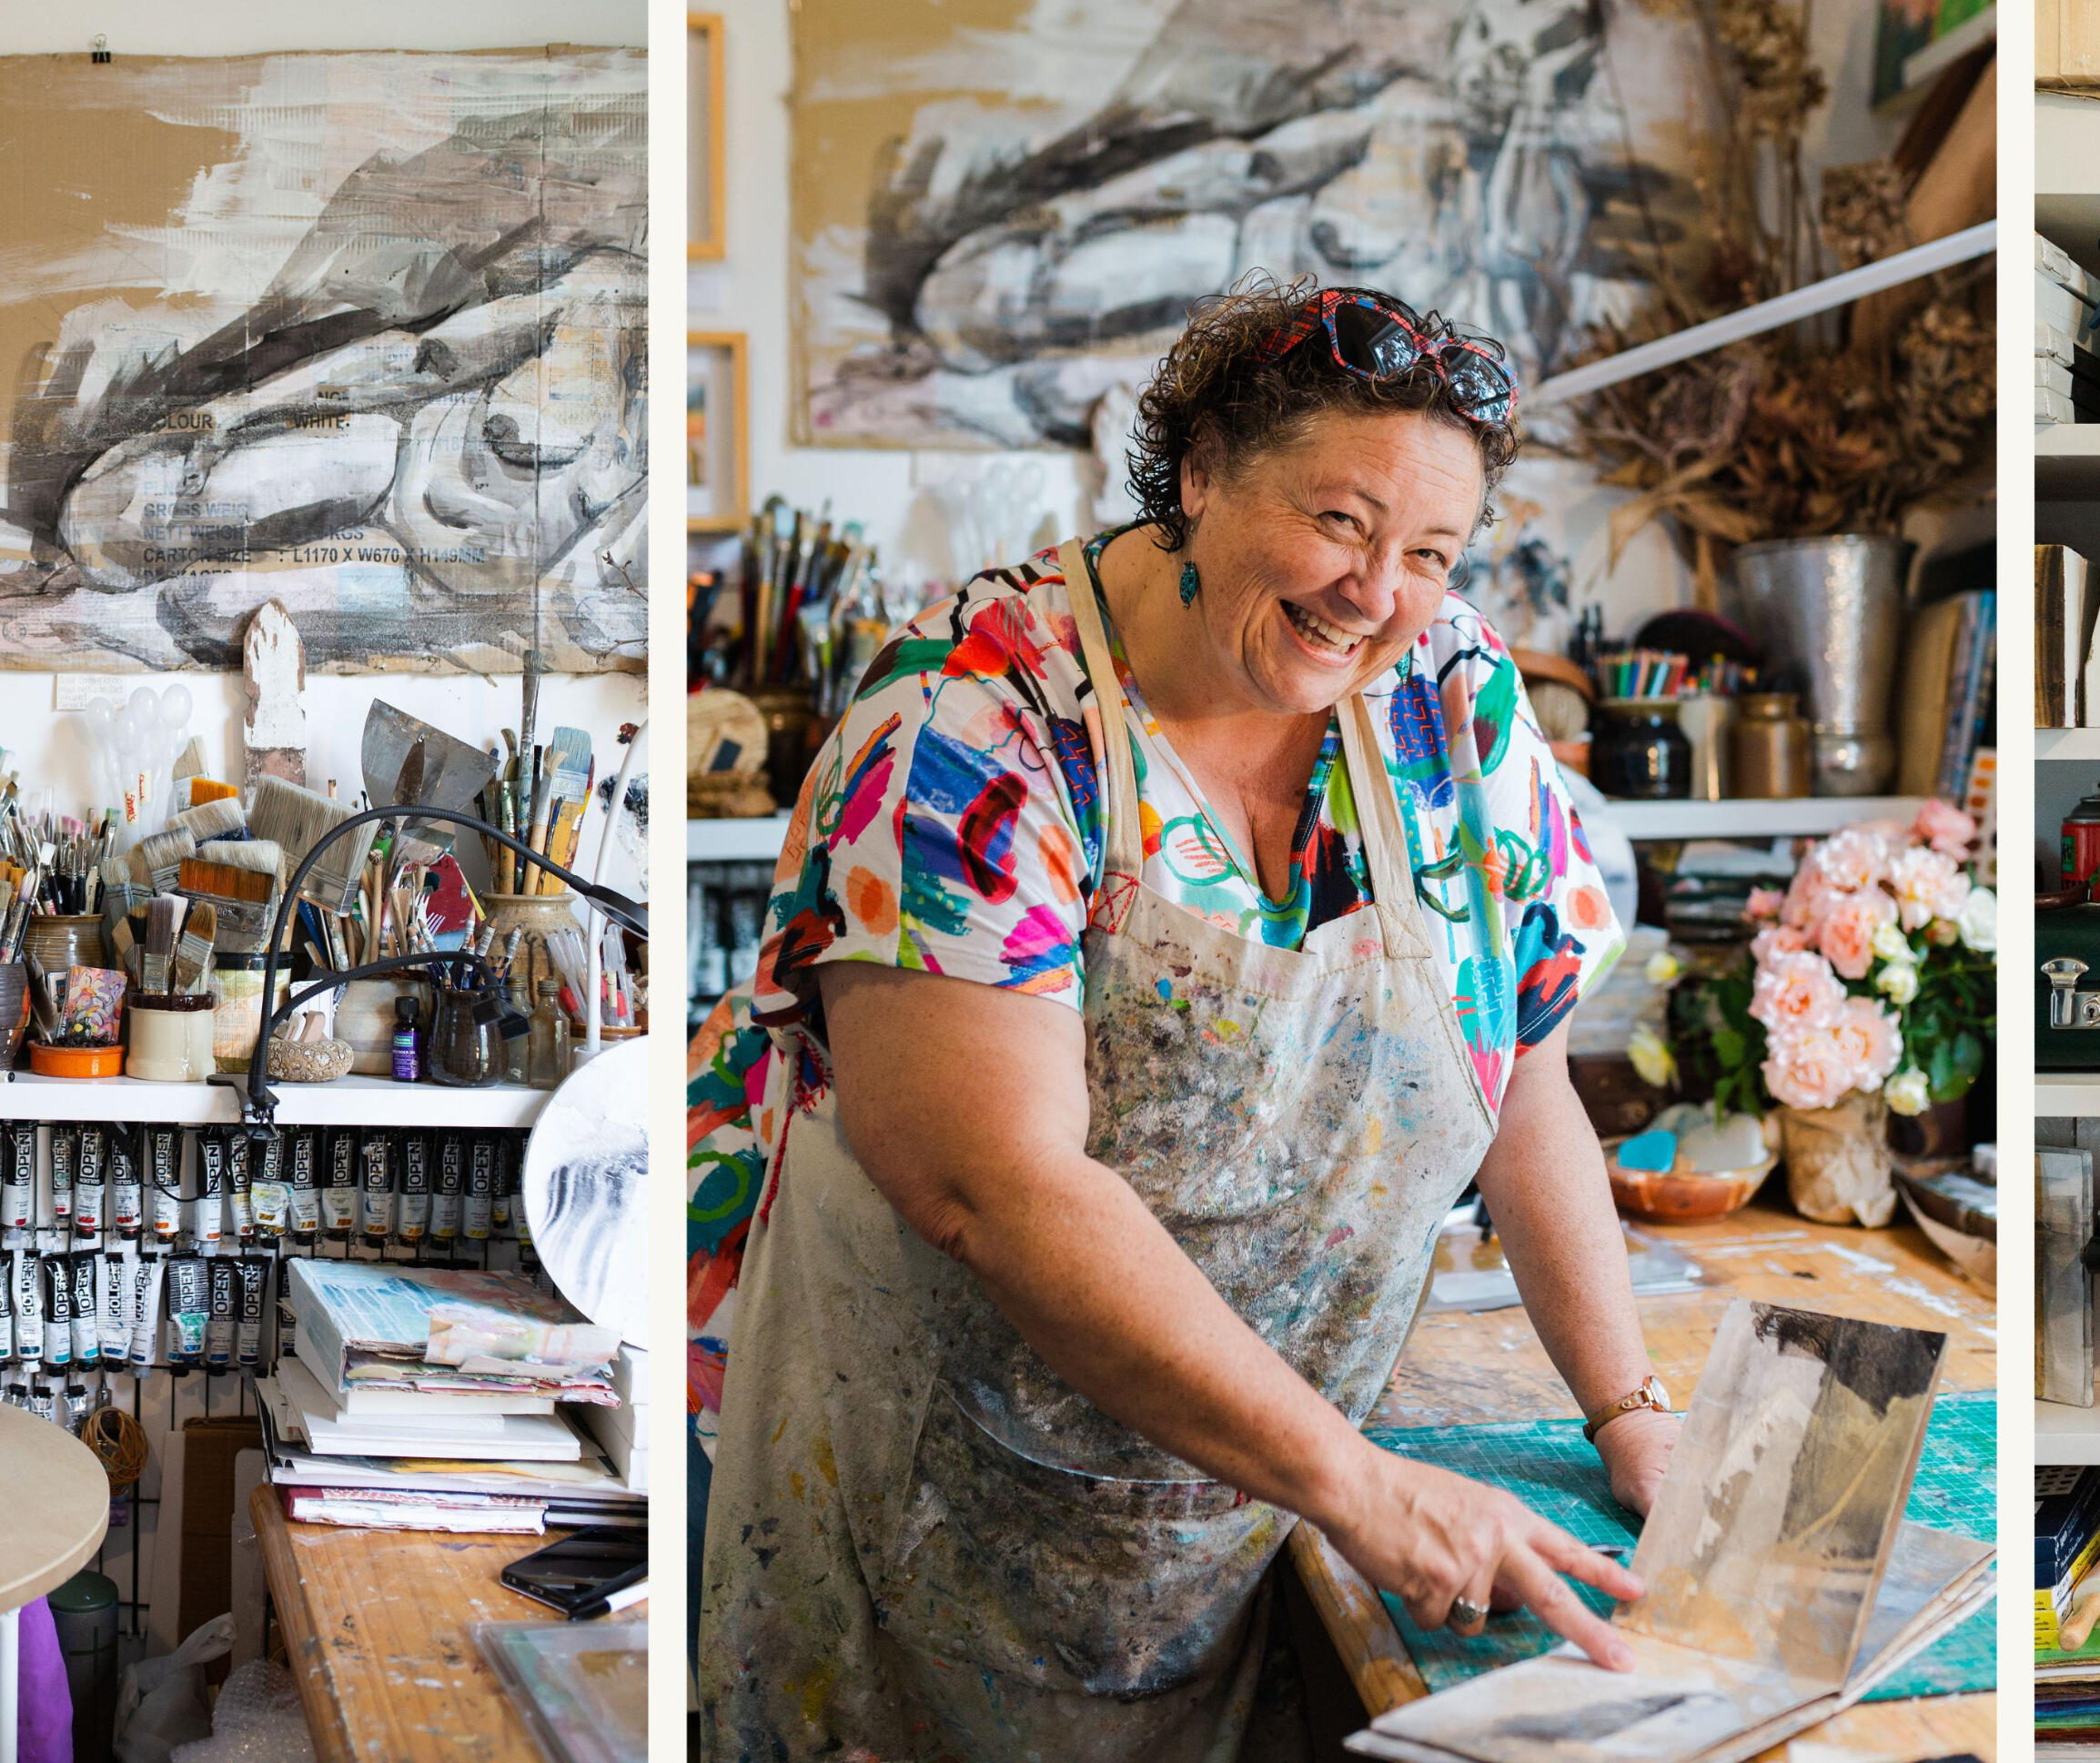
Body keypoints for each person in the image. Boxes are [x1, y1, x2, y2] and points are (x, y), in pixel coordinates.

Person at [701, 278, 1677, 1760]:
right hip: (938, 1524)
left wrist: (1630, 1412)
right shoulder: (972, 725)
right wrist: (1361, 1487)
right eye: (1340, 522)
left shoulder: (1447, 697)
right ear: (1204, 471)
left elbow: (1520, 1071)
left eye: (1428, 551)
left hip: (1250, 1514)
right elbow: (996, 1188)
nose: (1377, 592)